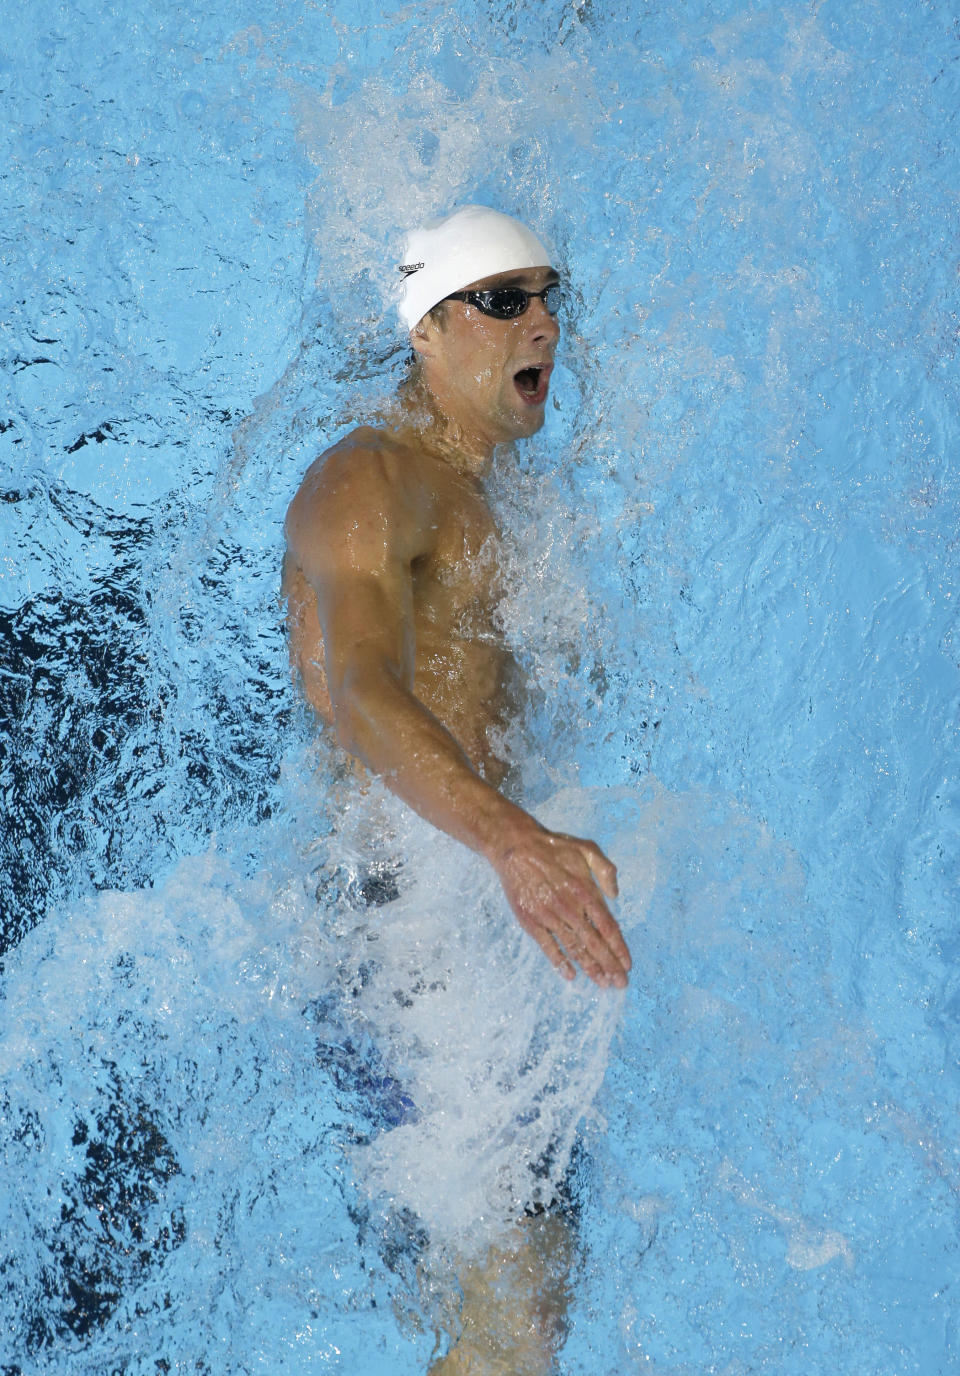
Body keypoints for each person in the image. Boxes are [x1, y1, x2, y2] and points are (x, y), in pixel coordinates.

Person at [283, 204, 631, 993]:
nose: (543, 324)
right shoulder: (367, 482)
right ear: (426, 331)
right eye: (504, 300)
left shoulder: (492, 484)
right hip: (395, 908)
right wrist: (512, 842)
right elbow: (362, 693)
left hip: (488, 879)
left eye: (548, 297)